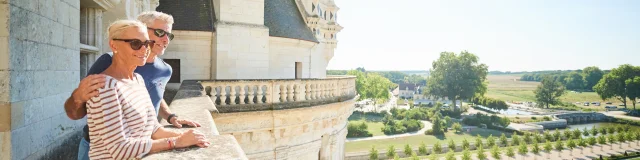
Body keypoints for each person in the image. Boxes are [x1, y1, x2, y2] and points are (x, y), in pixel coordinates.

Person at [63, 11, 202, 160]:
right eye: (135, 43)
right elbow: (118, 147)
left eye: (147, 43)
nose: (144, 49)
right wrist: (176, 141)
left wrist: (173, 120)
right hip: (100, 148)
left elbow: (155, 103)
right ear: (114, 45)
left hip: (141, 148)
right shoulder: (106, 78)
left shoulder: (141, 78)